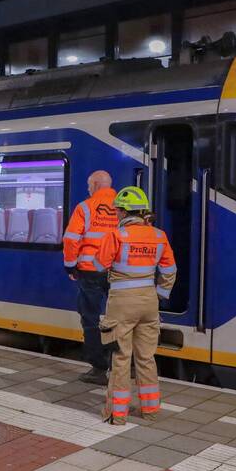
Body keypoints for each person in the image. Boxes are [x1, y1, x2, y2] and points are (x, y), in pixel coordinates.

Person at [97, 186, 177, 425]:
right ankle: (150, 410)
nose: (116, 215)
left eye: (117, 211)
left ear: (124, 212)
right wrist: (160, 293)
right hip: (149, 302)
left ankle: (117, 414)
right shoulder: (159, 236)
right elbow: (170, 270)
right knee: (146, 357)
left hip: (122, 302)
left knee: (121, 358)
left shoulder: (117, 235)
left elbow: (100, 264)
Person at [62, 170, 119, 385]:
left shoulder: (85, 207)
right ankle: (123, 364)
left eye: (89, 186)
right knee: (120, 318)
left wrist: (70, 266)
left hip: (90, 271)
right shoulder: (123, 207)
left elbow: (71, 239)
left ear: (95, 184)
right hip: (118, 271)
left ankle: (99, 367)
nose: (88, 189)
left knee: (91, 318)